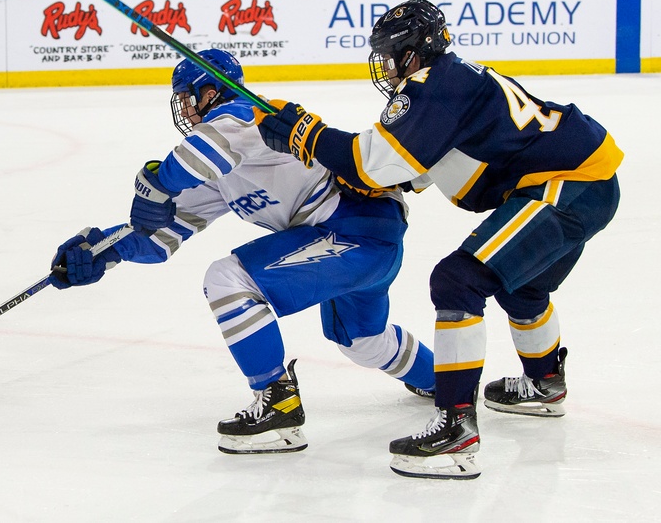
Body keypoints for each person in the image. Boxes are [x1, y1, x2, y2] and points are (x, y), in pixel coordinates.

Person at [254, 0, 623, 480]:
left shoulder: (433, 87)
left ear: (414, 51)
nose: (385, 66)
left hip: (567, 184)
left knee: (457, 281)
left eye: (391, 55)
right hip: (586, 180)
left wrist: (307, 133)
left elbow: (371, 161)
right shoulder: (451, 80)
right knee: (521, 285)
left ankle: (456, 430)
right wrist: (369, 173)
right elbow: (411, 165)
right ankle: (545, 384)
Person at [48, 49, 436, 455]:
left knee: (228, 278)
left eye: (187, 98)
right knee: (362, 342)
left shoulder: (245, 116)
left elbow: (188, 160)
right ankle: (444, 381)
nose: (184, 110)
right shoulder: (220, 167)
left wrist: (157, 182)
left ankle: (278, 405)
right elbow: (160, 235)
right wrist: (104, 250)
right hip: (360, 244)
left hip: (355, 230)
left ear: (211, 92)